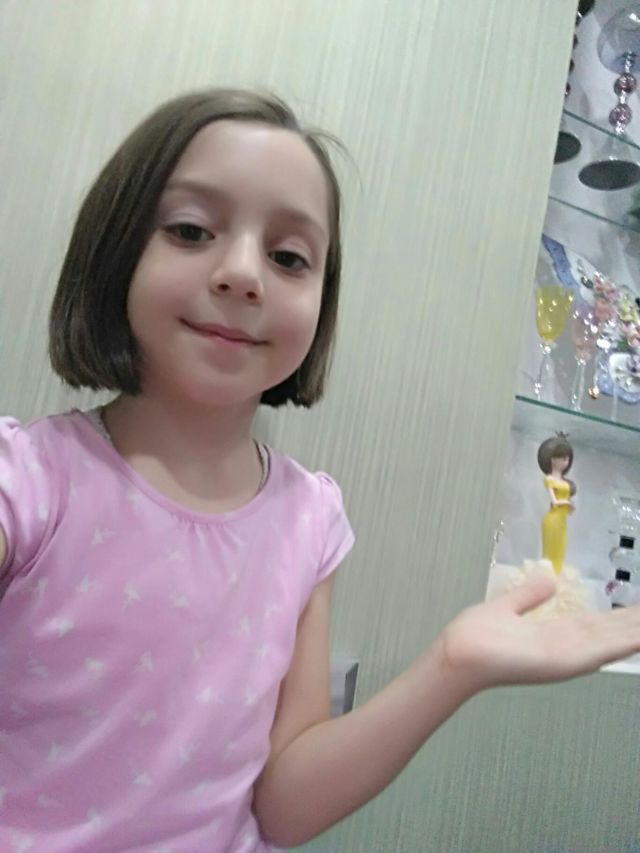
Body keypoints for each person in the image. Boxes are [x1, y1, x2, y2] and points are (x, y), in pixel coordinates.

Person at [0, 89, 638, 853]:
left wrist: (453, 666)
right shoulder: (28, 481)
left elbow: (286, 807)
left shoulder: (310, 518)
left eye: (289, 257)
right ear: (116, 248)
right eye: (191, 230)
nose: (244, 274)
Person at [538, 433, 576, 574]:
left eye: (567, 459)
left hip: (562, 520)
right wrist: (566, 502)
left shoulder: (564, 482)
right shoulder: (549, 479)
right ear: (553, 459)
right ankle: (547, 578)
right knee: (550, 552)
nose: (566, 462)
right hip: (553, 519)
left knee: (560, 550)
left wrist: (570, 506)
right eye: (563, 458)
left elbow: (567, 503)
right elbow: (554, 501)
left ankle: (556, 577)